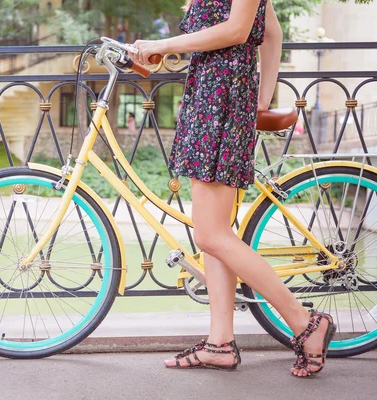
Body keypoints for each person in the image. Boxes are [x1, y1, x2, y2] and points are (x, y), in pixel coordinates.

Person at [129, 0, 335, 377]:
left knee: (210, 234)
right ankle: (219, 343)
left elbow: (237, 30)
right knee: (214, 231)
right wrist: (261, 97)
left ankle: (306, 322)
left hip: (222, 98)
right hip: (209, 97)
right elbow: (272, 31)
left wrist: (161, 45)